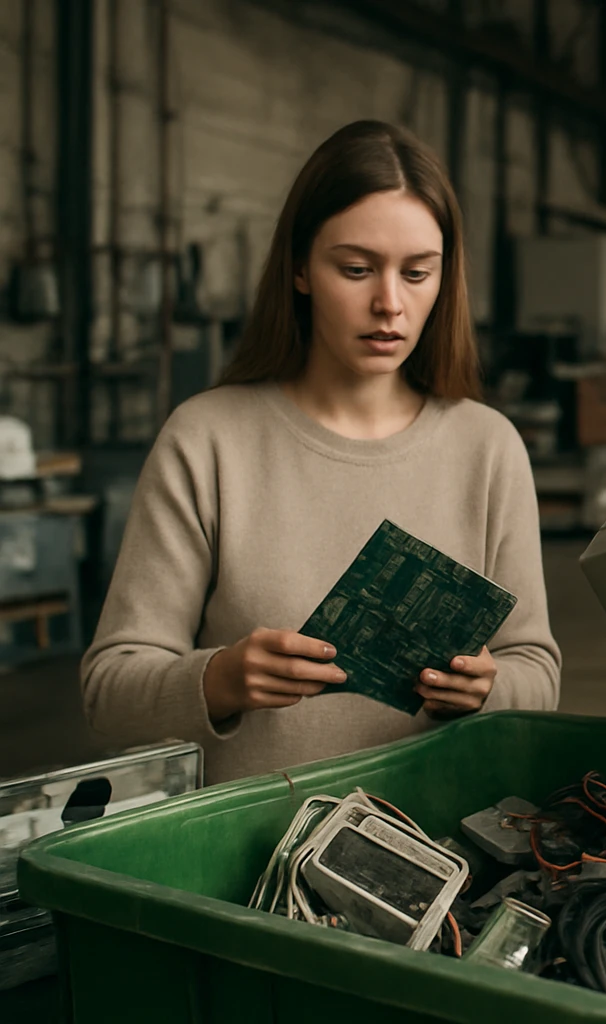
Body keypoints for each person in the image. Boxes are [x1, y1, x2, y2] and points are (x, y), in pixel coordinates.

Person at [81, 121, 561, 784]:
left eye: (418, 273)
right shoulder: (207, 440)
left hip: (439, 848)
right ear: (301, 268)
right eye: (357, 269)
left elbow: (536, 670)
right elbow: (110, 688)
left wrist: (487, 689)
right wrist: (218, 678)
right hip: (249, 859)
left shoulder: (488, 447)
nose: (389, 304)